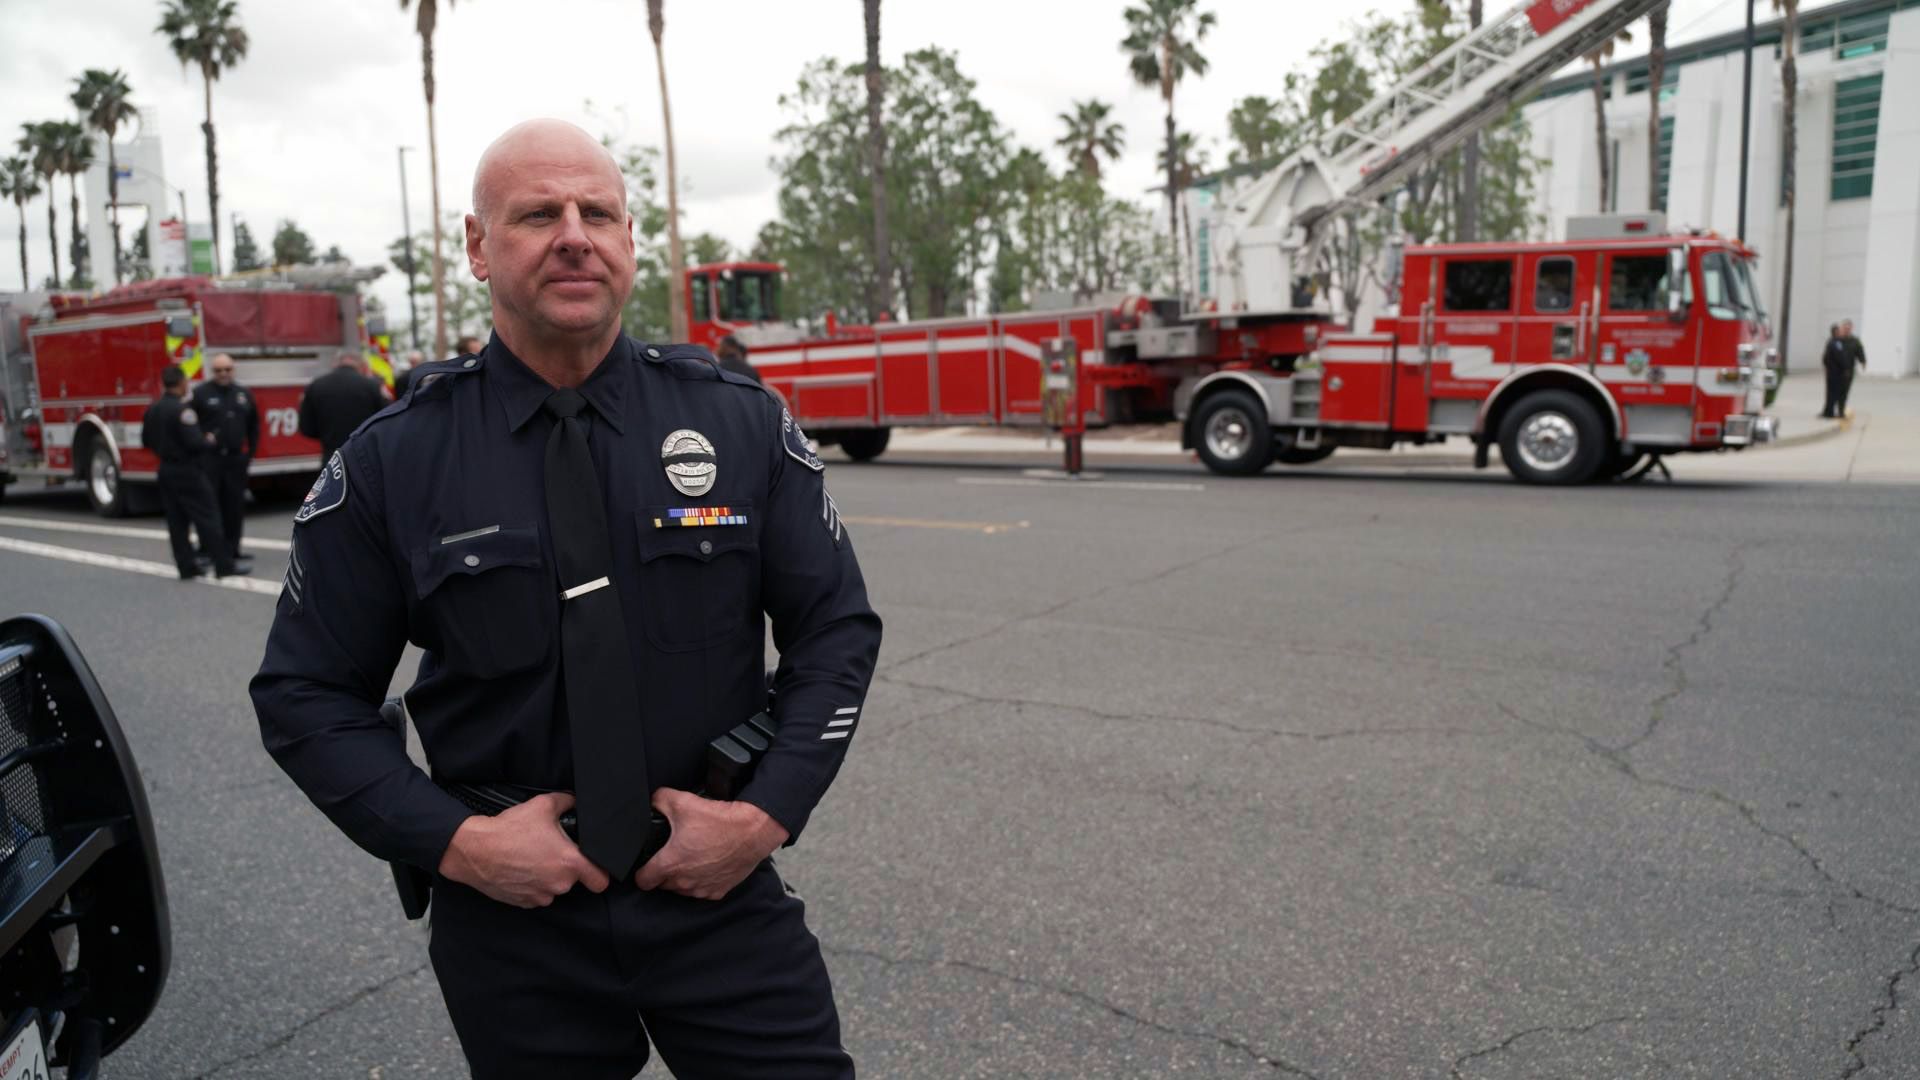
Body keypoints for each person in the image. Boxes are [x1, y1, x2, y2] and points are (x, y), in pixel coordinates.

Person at [251, 119, 880, 1079]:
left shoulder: (739, 424)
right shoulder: (395, 461)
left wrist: (766, 816)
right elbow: (304, 697)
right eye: (538, 213)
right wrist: (456, 844)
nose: (574, 234)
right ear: (476, 247)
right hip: (512, 917)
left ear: (630, 243)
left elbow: (835, 630)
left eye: (600, 213)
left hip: (715, 885)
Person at [141, 364, 245, 580]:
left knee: (176, 521)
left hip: (165, 469)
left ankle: (186, 566)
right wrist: (209, 440)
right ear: (181, 383)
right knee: (208, 516)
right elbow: (195, 443)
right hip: (187, 469)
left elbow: (146, 440)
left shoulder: (152, 409)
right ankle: (223, 565)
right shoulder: (183, 410)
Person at [189, 353, 259, 567]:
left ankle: (232, 549)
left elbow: (253, 425)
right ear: (213, 372)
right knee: (210, 506)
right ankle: (208, 550)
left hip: (235, 458)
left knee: (234, 506)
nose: (223, 374)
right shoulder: (201, 394)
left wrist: (249, 454)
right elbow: (192, 426)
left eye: (227, 369)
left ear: (233, 370)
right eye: (219, 370)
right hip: (211, 459)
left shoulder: (243, 394)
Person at [298, 350, 387, 463]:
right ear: (361, 365)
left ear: (335, 363)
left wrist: (327, 436)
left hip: (332, 458)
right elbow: (386, 419)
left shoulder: (316, 385)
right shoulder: (372, 386)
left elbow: (306, 428)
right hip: (365, 458)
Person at [1835, 318, 1867, 418]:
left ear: (1851, 329)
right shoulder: (1836, 340)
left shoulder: (1855, 341)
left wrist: (1863, 361)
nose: (1846, 329)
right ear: (1841, 328)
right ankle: (1831, 409)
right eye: (1844, 328)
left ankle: (1840, 410)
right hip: (1835, 370)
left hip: (1848, 371)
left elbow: (1860, 352)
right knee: (1834, 391)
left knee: (1844, 391)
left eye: (1848, 328)